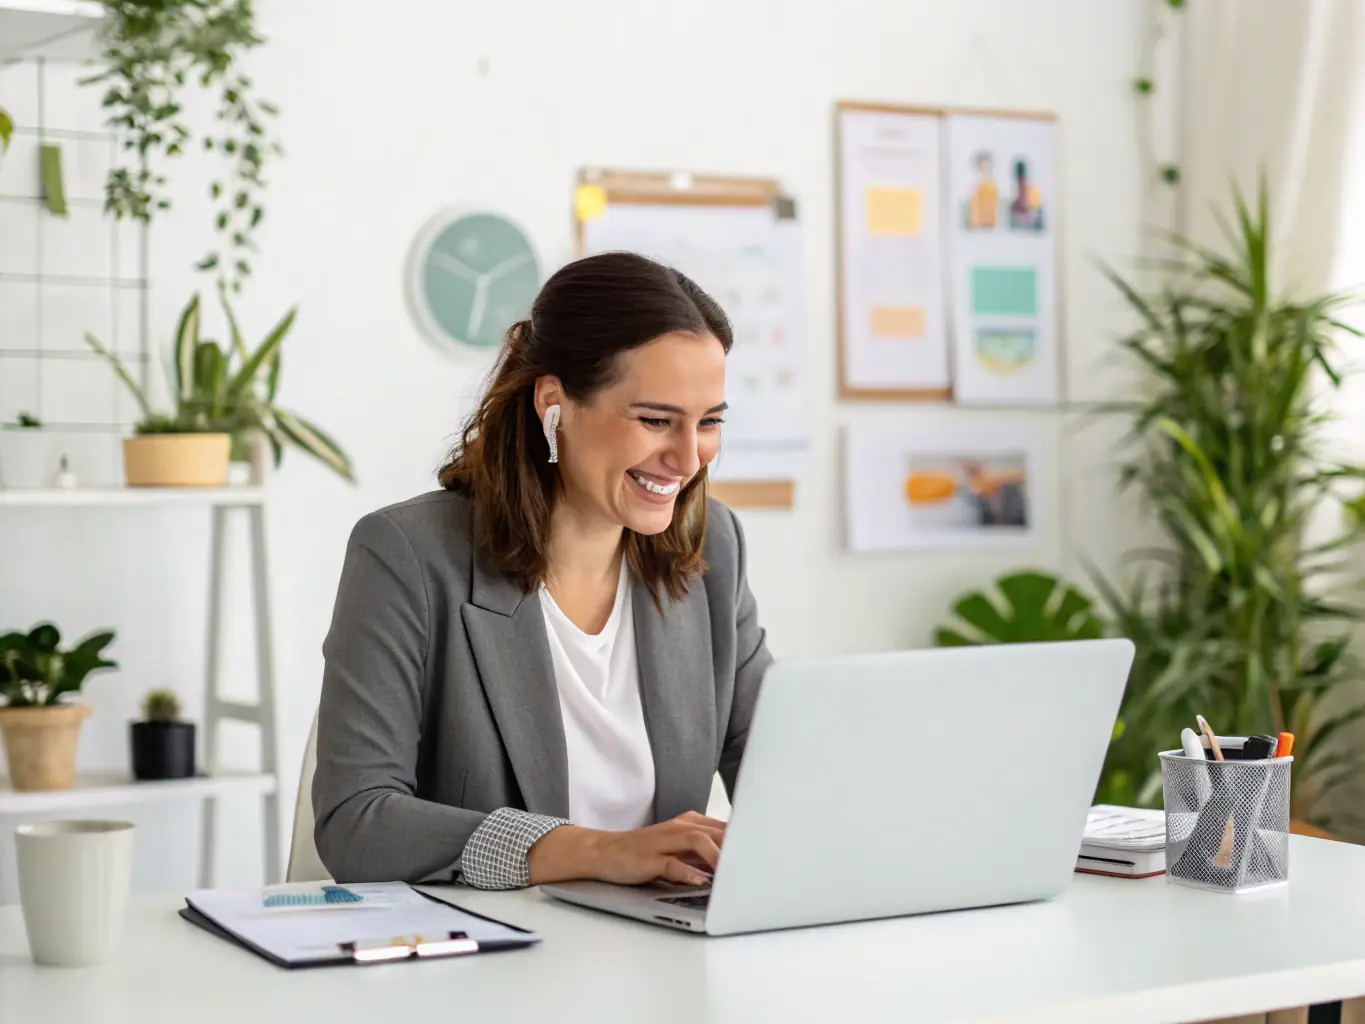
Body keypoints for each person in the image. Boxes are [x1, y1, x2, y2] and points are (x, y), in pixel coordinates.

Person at [311, 251, 772, 891]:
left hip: (660, 960)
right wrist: (595, 851)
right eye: (656, 420)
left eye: (710, 423)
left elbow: (782, 781)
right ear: (554, 402)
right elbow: (356, 820)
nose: (688, 458)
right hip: (486, 967)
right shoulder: (407, 556)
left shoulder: (711, 548)